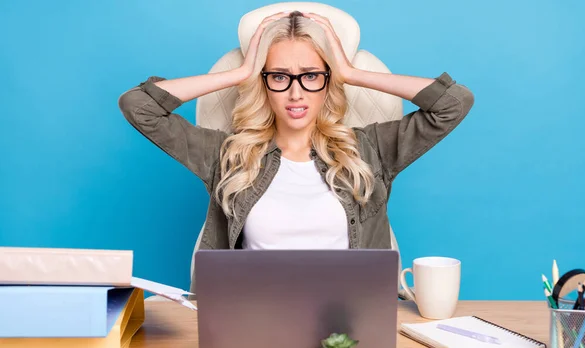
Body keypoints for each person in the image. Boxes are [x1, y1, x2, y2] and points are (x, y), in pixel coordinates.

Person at [118, 10, 474, 251]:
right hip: (253, 317)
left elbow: (453, 103)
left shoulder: (371, 149)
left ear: (327, 81)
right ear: (264, 83)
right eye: (279, 76)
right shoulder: (226, 154)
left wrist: (349, 71)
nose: (295, 91)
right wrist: (240, 72)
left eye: (311, 75)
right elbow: (139, 107)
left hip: (349, 322)